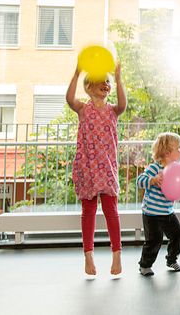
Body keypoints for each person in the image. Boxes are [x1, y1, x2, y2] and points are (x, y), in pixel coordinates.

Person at [66, 63, 126, 276]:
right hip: (87, 167)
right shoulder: (83, 109)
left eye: (107, 82)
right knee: (88, 211)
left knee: (111, 211)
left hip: (107, 167)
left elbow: (123, 104)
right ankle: (88, 256)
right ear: (89, 87)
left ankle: (117, 255)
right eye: (102, 81)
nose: (106, 84)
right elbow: (69, 98)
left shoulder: (112, 111)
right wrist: (76, 73)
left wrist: (118, 79)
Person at [136, 132, 180, 276]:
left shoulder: (177, 170)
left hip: (168, 212)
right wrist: (152, 180)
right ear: (168, 153)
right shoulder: (154, 168)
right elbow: (139, 181)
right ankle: (145, 265)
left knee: (178, 235)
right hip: (151, 214)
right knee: (154, 240)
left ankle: (171, 259)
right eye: (179, 149)